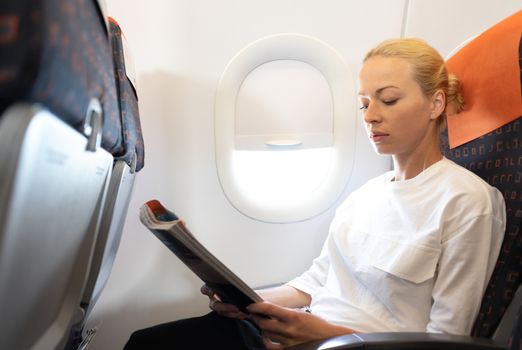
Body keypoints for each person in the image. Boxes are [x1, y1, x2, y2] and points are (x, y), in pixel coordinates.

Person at [124, 38, 506, 350]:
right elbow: (313, 283)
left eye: (388, 100)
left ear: (435, 103)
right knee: (148, 343)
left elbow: (447, 341)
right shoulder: (366, 195)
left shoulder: (468, 202)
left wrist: (325, 334)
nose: (370, 115)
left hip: (348, 345)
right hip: (302, 337)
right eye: (363, 103)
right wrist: (249, 299)